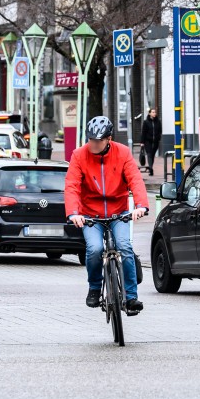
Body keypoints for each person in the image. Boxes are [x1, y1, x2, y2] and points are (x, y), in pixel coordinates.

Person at [64, 115, 148, 315]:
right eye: (90, 139)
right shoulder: (79, 155)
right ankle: (94, 287)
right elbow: (72, 186)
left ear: (108, 139)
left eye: (98, 141)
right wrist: (74, 213)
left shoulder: (123, 153)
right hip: (90, 215)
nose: (93, 144)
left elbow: (135, 180)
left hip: (118, 212)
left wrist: (141, 205)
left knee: (125, 247)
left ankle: (131, 297)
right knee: (94, 249)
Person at [139, 107, 162, 175]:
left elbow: (160, 131)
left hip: (155, 142)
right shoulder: (146, 122)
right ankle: (151, 168)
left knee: (152, 155)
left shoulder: (158, 122)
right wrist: (142, 142)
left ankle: (150, 167)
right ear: (149, 113)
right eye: (152, 112)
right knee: (149, 154)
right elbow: (143, 132)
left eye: (155, 112)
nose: (154, 113)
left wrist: (158, 138)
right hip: (147, 141)